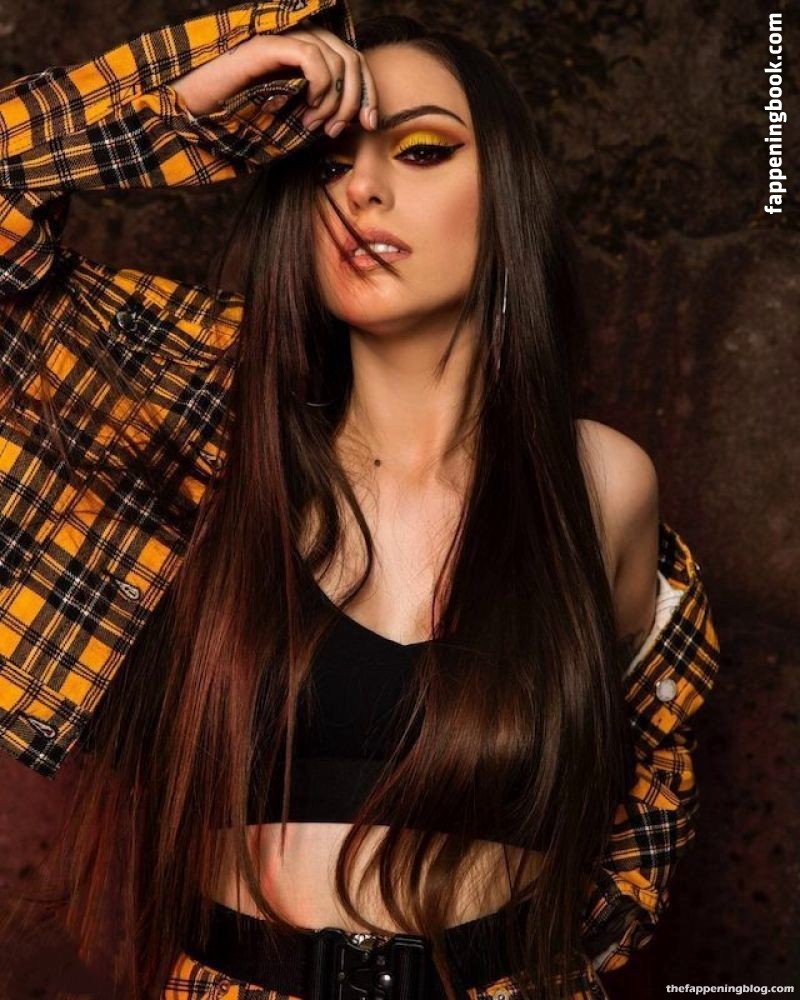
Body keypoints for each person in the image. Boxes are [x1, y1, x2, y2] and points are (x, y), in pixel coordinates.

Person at [0, 1, 721, 998]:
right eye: (326, 166)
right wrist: (186, 111)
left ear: (507, 193)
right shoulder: (206, 435)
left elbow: (650, 775)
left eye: (421, 152)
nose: (361, 190)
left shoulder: (598, 483)